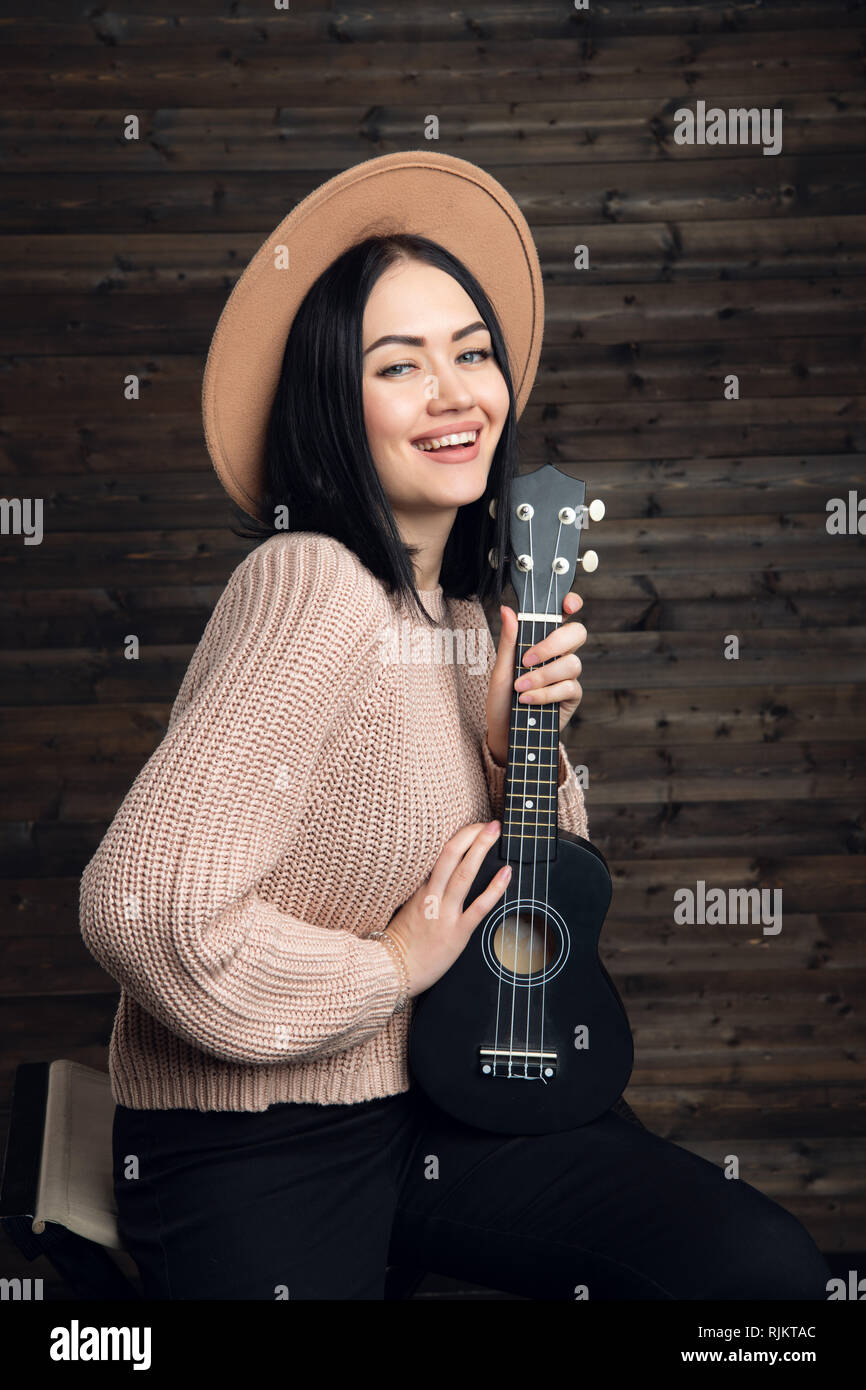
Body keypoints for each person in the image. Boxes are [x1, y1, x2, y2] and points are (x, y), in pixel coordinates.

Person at [79, 153, 831, 1301]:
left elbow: (532, 902)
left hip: (446, 1103)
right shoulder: (310, 582)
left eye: (470, 353)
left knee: (757, 1275)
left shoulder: (466, 616)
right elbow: (141, 908)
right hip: (261, 1143)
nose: (455, 392)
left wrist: (510, 744)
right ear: (335, 402)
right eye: (399, 365)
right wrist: (384, 968)